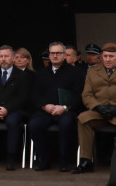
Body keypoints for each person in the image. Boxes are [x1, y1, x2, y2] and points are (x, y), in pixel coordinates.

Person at [72, 43, 116, 174]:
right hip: (99, 111)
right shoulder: (92, 71)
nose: (107, 59)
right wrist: (97, 107)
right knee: (83, 118)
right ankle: (86, 160)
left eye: (111, 56)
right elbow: (87, 95)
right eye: (105, 56)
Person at [27, 42, 82, 172]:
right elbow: (34, 95)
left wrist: (65, 107)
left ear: (64, 55)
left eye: (58, 53)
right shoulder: (41, 74)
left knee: (66, 124)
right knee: (34, 124)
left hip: (67, 110)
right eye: (52, 53)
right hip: (46, 111)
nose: (55, 56)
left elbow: (79, 95)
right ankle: (44, 160)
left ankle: (64, 161)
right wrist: (44, 106)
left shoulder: (75, 73)